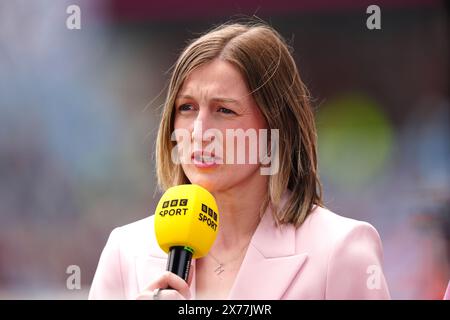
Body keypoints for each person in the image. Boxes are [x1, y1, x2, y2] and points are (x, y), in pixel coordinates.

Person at [88, 21, 391, 300]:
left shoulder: (341, 250)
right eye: (187, 107)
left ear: (276, 128)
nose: (199, 132)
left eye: (224, 110)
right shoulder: (125, 251)